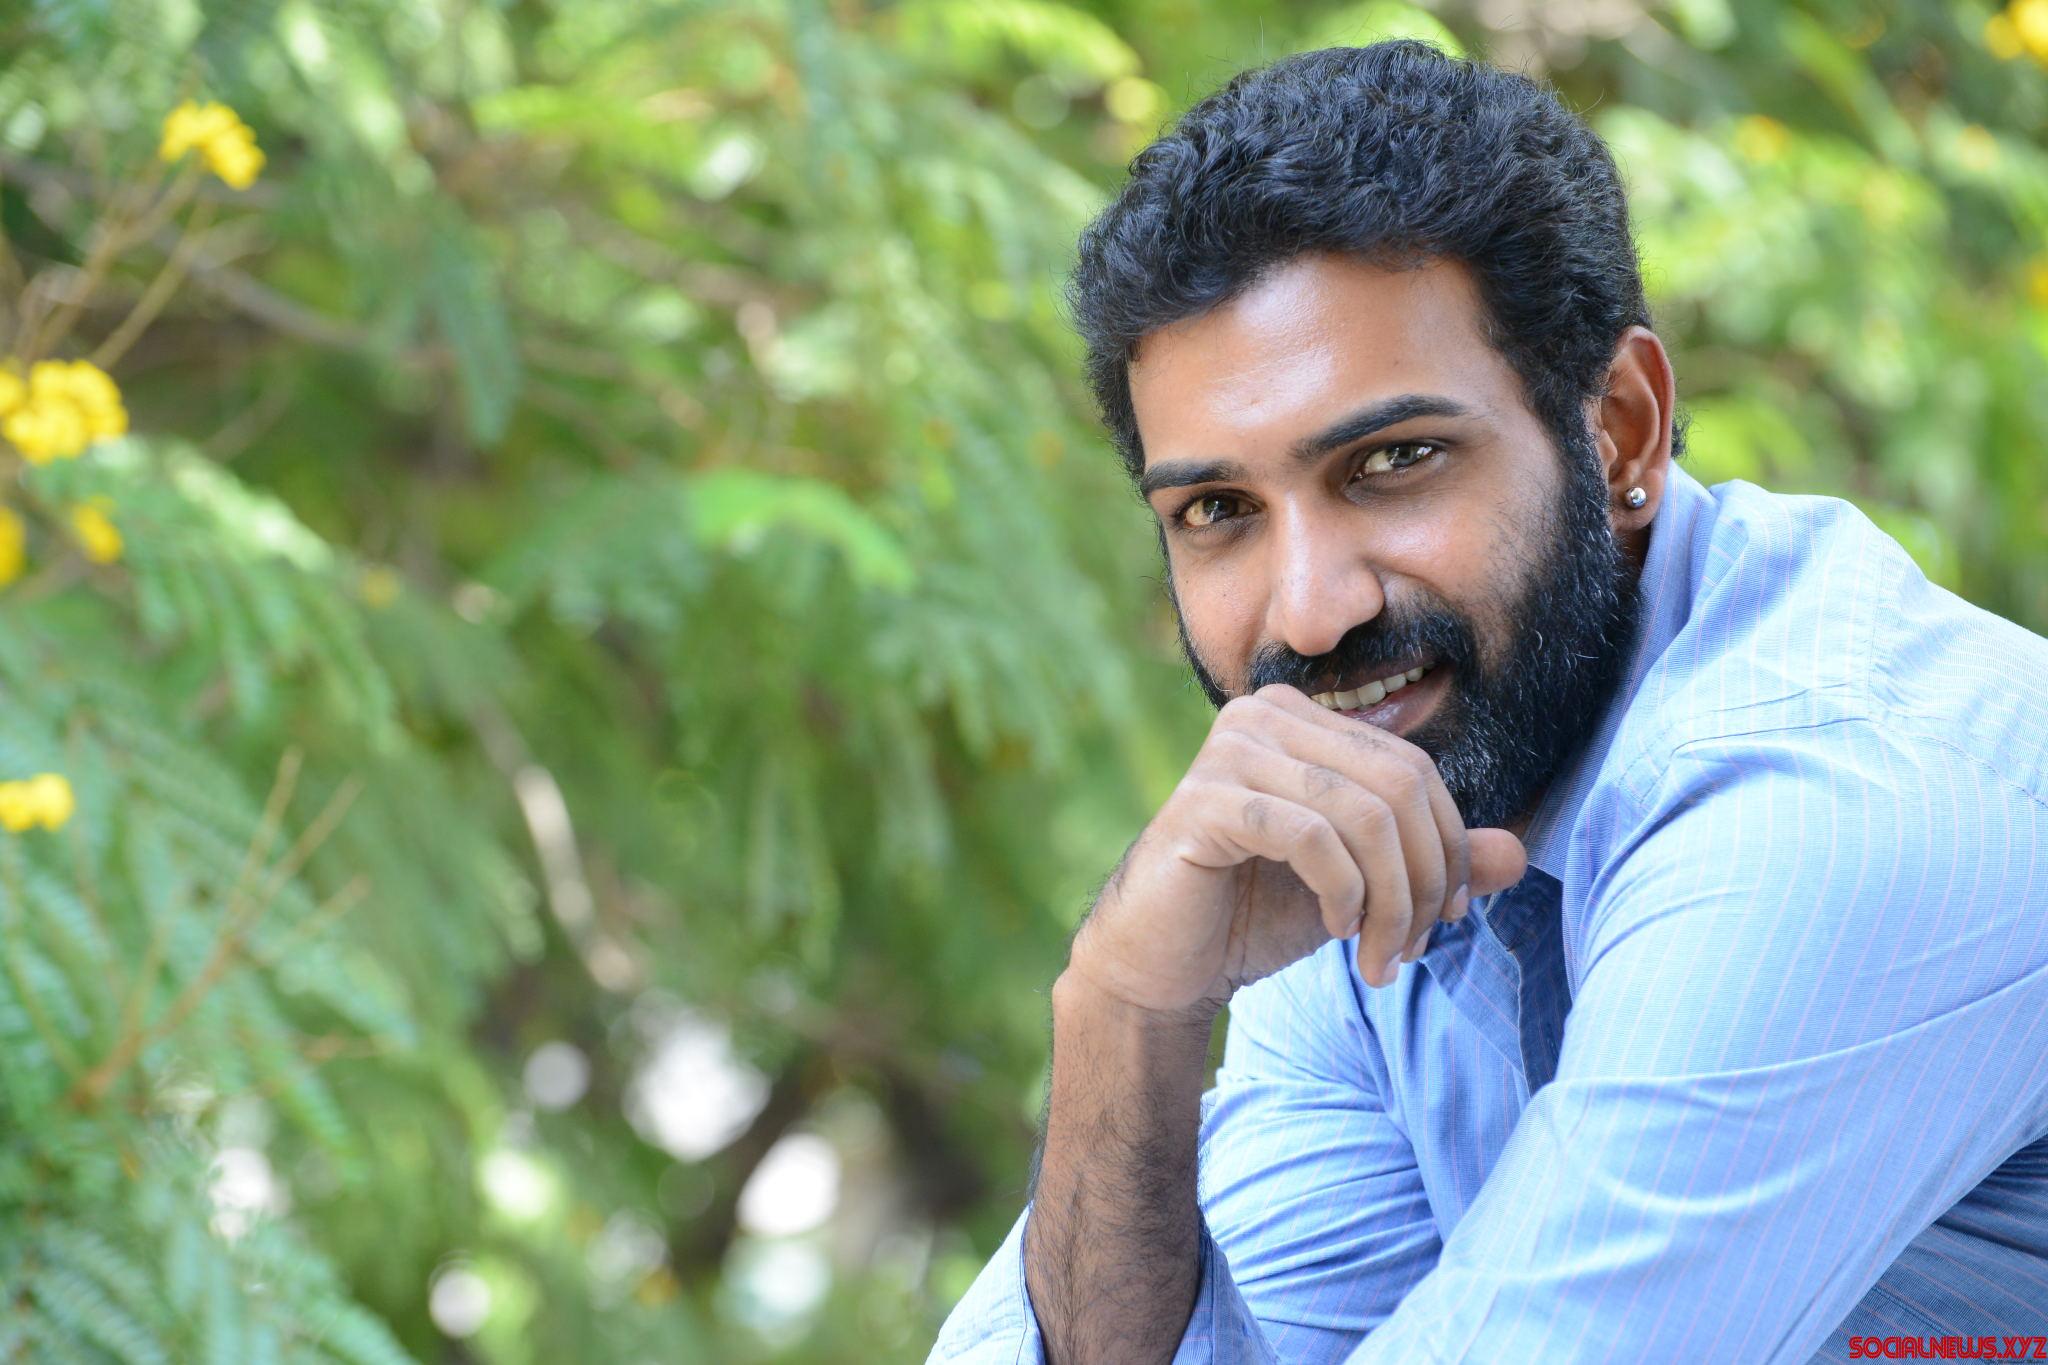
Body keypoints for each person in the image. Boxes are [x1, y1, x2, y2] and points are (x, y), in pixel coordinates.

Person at [927, 39, 2048, 1365]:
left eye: (1393, 460)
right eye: (1219, 509)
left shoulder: (1834, 803)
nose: (1310, 612)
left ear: (1621, 429)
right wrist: (1120, 1013)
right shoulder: (1378, 821)